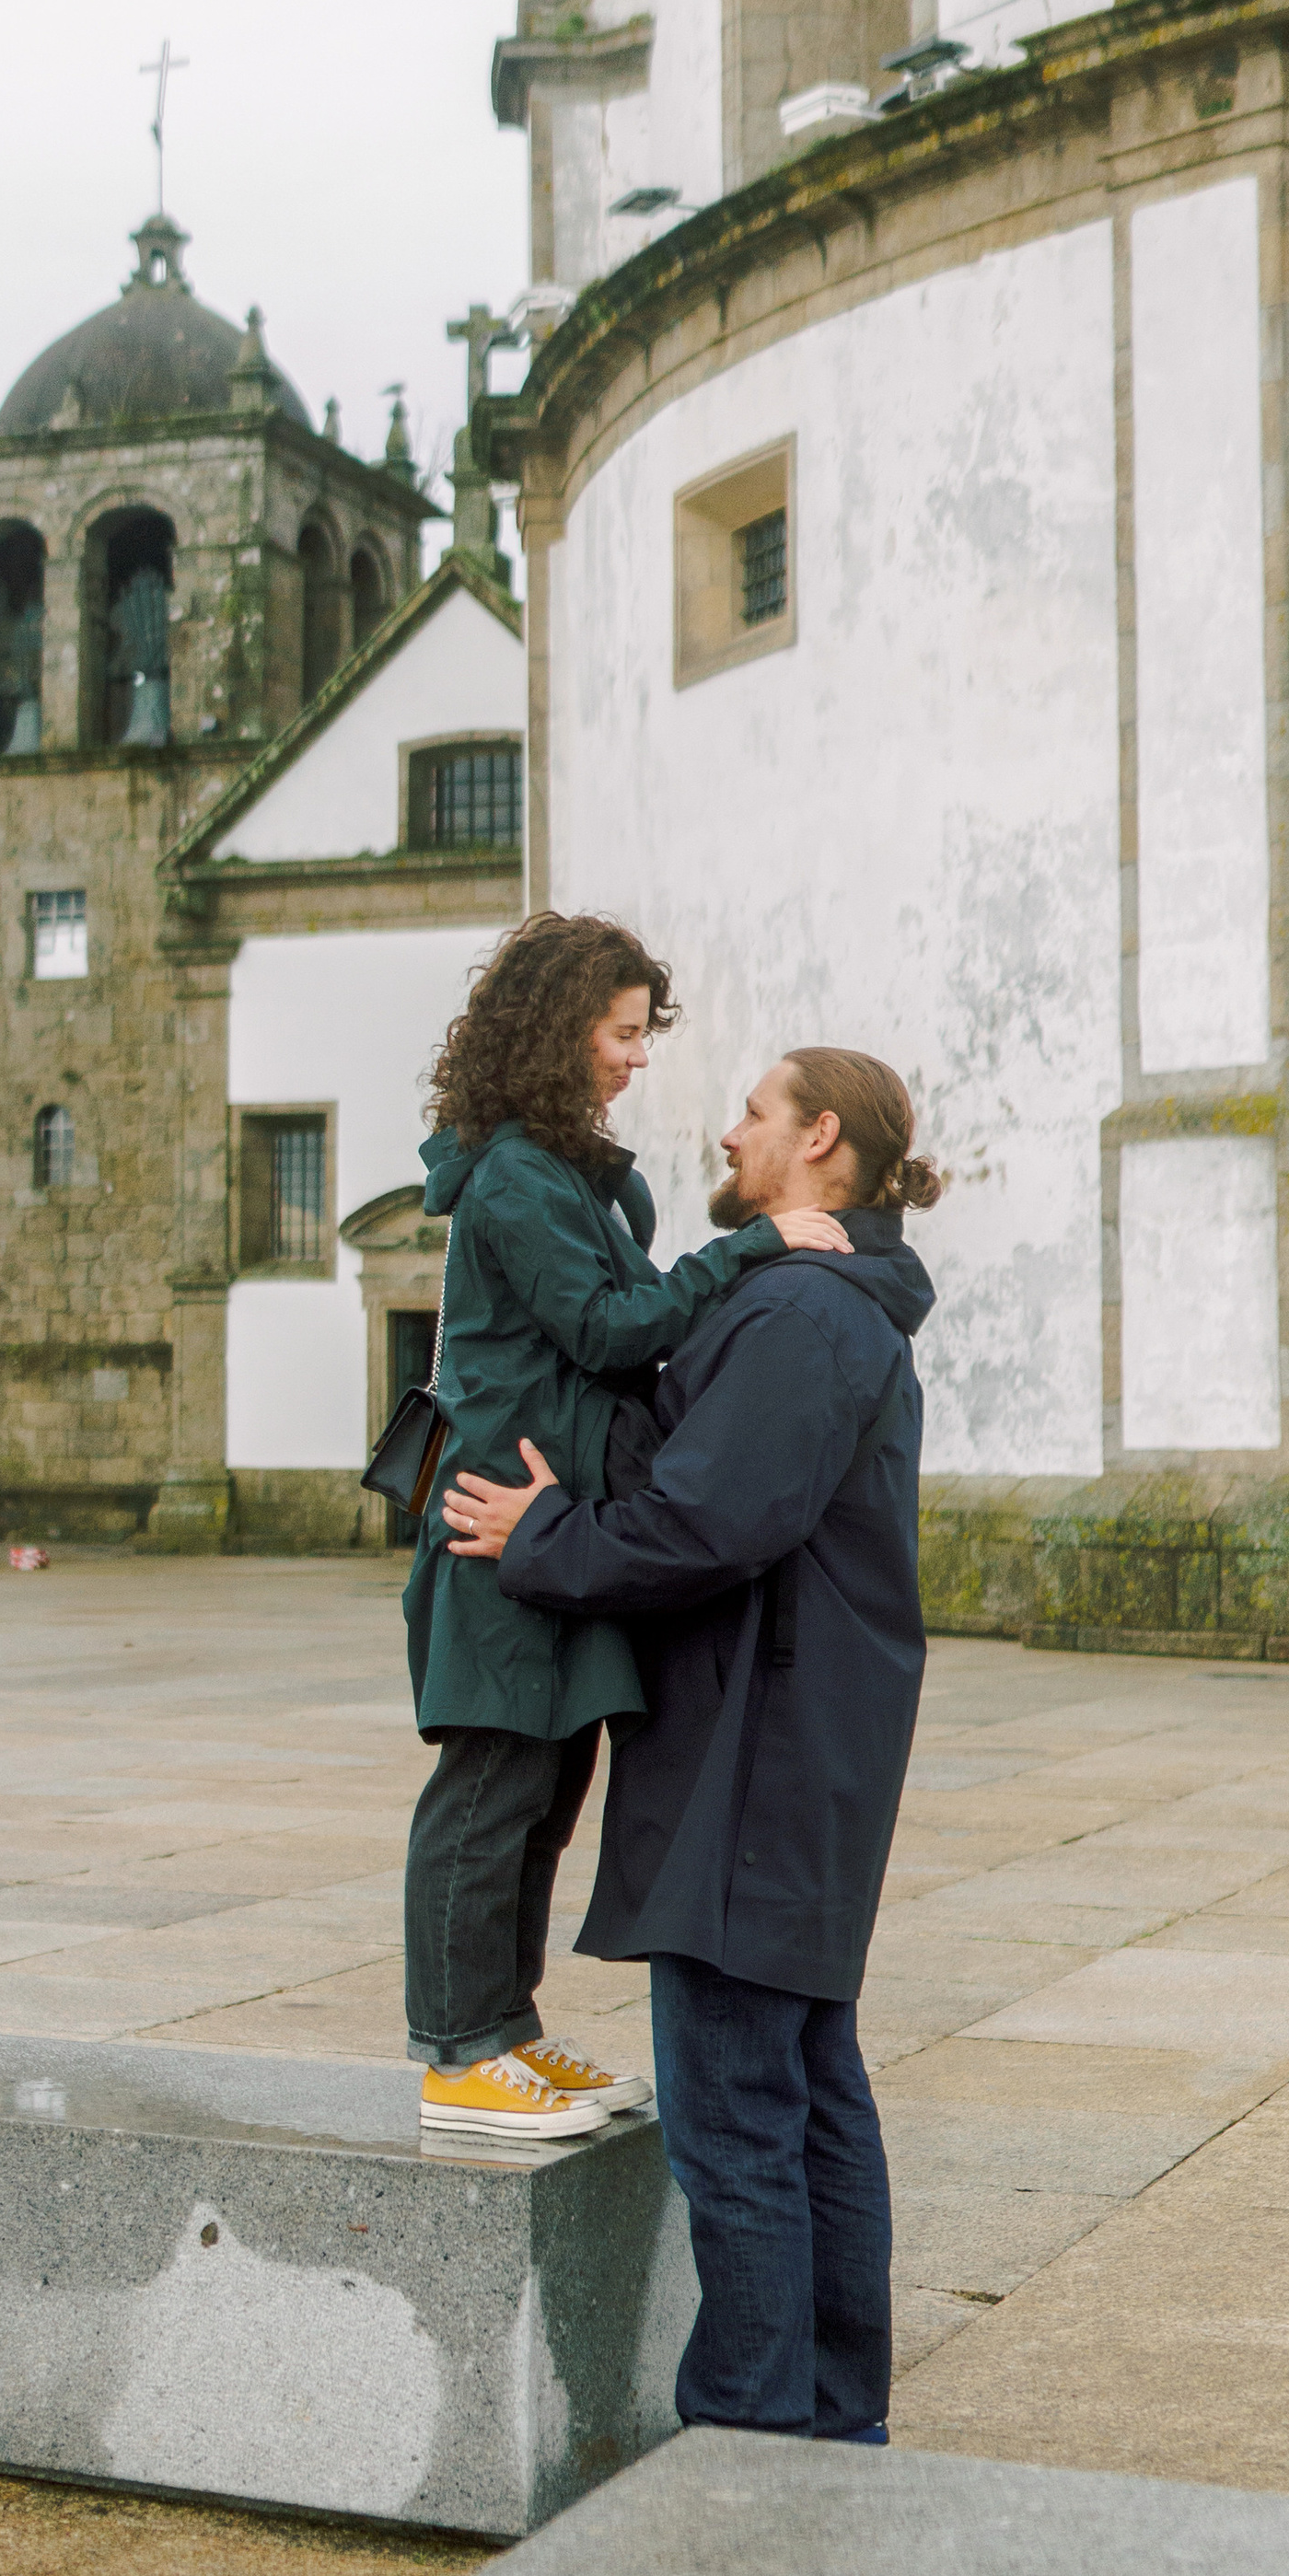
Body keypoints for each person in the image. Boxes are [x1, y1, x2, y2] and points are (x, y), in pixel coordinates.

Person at [442, 1047, 938, 2440]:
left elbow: (710, 1526)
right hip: (790, 1751)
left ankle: (753, 2438)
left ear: (819, 1139)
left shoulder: (801, 1318)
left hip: (756, 1763)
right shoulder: (820, 1305)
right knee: (806, 2089)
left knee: (736, 2120)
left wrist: (543, 1538)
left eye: (755, 1113)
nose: (727, 1132)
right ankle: (830, 2421)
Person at [401, 916, 852, 2143]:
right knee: (490, 1787)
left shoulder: (558, 1171)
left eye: (643, 1031)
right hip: (503, 1524)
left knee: (546, 1787)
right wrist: (751, 1246)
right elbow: (610, 1327)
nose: (638, 1056)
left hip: (552, 1520)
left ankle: (503, 2028)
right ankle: (454, 2051)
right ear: (560, 1034)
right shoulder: (513, 1178)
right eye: (620, 1032)